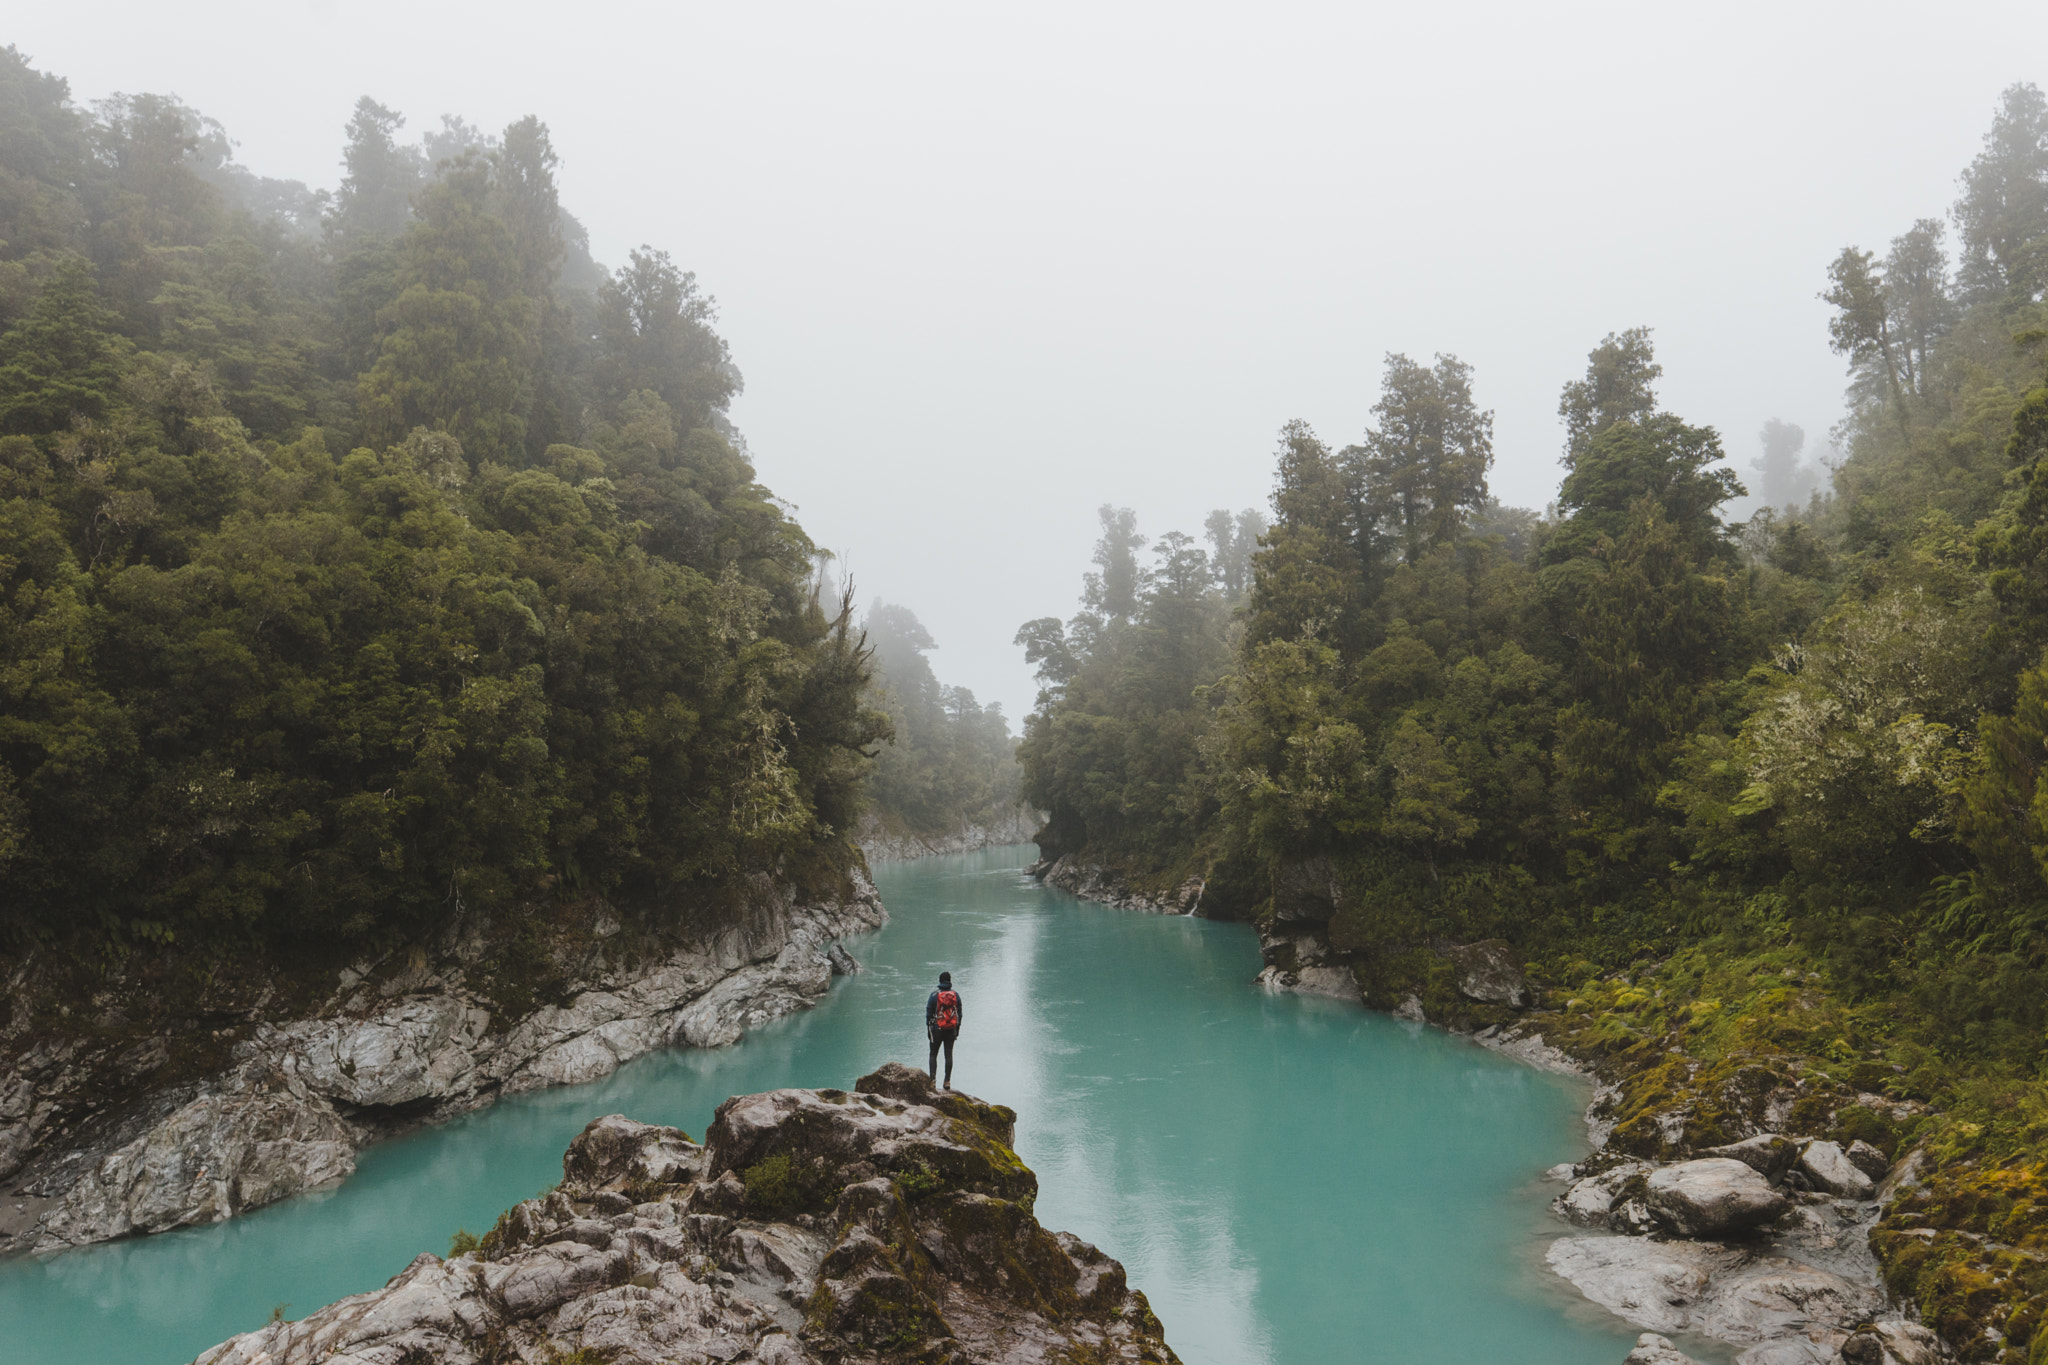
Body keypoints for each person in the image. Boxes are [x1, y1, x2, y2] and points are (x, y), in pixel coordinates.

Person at [925, 971, 962, 1090]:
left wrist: (929, 1029)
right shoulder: (955, 995)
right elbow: (959, 1015)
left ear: (940, 981)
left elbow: (928, 1014)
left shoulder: (934, 995)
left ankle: (932, 1081)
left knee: (933, 1054)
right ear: (950, 981)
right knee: (948, 1055)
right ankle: (947, 1081)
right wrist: (956, 1029)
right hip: (950, 1029)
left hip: (937, 1029)